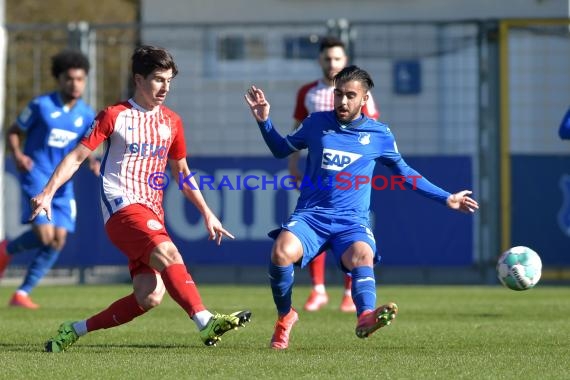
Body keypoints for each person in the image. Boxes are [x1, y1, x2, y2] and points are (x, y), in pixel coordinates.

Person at [30, 45, 251, 352]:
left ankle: (74, 330)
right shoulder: (114, 115)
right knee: (170, 253)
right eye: (159, 79)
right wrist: (48, 191)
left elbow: (182, 172)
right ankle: (205, 321)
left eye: (170, 80)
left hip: (151, 211)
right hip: (121, 207)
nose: (165, 87)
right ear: (139, 79)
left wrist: (206, 212)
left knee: (149, 295)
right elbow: (77, 156)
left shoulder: (172, 122)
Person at [244, 65, 479, 350]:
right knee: (280, 252)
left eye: (350, 96)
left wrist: (447, 197)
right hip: (311, 217)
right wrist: (264, 122)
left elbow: (405, 173)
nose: (343, 101)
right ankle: (285, 316)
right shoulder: (316, 123)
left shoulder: (379, 134)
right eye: (338, 94)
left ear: (364, 99)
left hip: (351, 222)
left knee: (362, 254)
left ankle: (365, 316)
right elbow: (281, 149)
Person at [0, 49, 100, 309]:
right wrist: (18, 155)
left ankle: (21, 293)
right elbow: (13, 131)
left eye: (80, 79)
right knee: (45, 236)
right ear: (59, 79)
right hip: (36, 175)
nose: (75, 84)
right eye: (69, 78)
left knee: (59, 240)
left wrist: (93, 161)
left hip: (63, 184)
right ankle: (5, 251)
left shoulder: (87, 114)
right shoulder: (41, 106)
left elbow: (87, 146)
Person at [289, 36, 379, 313]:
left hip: (350, 172)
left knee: (348, 230)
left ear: (344, 60)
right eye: (327, 59)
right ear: (320, 60)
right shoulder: (308, 92)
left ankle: (349, 290)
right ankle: (317, 290)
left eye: (337, 59)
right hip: (318, 171)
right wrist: (294, 165)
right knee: (313, 224)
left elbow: (371, 127)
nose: (332, 63)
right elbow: (297, 129)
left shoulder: (360, 92)